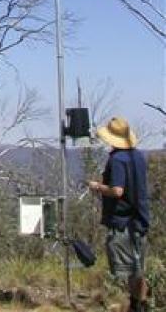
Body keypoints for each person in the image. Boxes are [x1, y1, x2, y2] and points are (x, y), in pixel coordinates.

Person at [88, 116, 150, 312]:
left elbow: (117, 191)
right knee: (138, 269)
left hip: (123, 223)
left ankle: (136, 306)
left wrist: (98, 186)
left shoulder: (117, 160)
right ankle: (139, 304)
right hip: (140, 219)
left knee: (129, 271)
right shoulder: (138, 156)